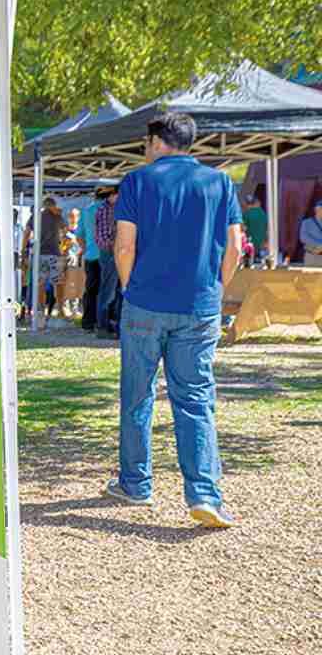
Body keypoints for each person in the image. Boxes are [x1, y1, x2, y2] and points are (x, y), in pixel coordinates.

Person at [108, 112, 242, 528]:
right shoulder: (220, 182)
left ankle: (136, 483)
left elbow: (124, 244)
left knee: (137, 394)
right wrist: (216, 288)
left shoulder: (137, 181)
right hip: (199, 304)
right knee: (196, 399)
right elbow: (236, 246)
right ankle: (203, 494)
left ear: (155, 141)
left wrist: (130, 288)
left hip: (145, 302)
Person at [22, 196, 65, 330]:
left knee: (40, 283)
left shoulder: (36, 216)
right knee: (58, 283)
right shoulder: (57, 216)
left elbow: (26, 233)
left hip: (39, 254)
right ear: (53, 205)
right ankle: (60, 310)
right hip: (54, 253)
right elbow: (65, 230)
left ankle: (40, 312)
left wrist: (23, 250)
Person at [94, 187, 121, 338]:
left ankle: (111, 326)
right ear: (112, 195)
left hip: (114, 252)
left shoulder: (111, 208)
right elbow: (104, 237)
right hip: (110, 253)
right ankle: (103, 327)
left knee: (116, 292)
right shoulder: (106, 210)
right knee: (108, 292)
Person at [77, 190, 103, 331]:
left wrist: (86, 248)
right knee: (107, 291)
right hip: (108, 256)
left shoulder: (86, 211)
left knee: (91, 290)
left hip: (91, 256)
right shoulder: (113, 209)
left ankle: (88, 322)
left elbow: (79, 236)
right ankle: (104, 322)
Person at [242, 195, 269, 261]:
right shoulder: (263, 213)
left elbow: (242, 229)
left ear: (246, 204)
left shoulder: (246, 214)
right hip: (262, 247)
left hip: (250, 248)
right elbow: (267, 229)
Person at [299, 199, 322, 267]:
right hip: (311, 256)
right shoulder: (306, 222)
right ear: (316, 210)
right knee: (309, 276)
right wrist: (319, 244)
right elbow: (303, 238)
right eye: (320, 209)